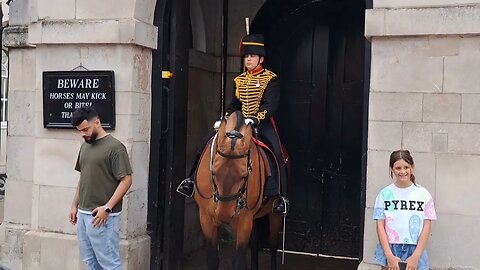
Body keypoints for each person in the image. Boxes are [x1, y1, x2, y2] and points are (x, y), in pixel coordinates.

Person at [177, 33, 289, 214]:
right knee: (206, 142)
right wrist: (225, 118)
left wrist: (257, 117)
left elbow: (271, 105)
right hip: (239, 122)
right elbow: (234, 104)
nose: (248, 59)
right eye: (246, 56)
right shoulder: (240, 80)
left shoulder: (270, 79)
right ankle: (190, 181)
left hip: (261, 123)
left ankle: (280, 197)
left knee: (276, 152)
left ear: (261, 59)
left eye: (252, 56)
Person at [68, 106, 132, 270]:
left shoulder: (115, 148)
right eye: (80, 131)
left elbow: (126, 180)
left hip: (103, 216)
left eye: (86, 129)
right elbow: (84, 177)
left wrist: (107, 208)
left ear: (97, 122)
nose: (83, 134)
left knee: (110, 264)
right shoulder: (85, 146)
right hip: (83, 214)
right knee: (90, 262)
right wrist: (74, 205)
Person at [373, 150, 437, 270]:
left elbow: (427, 226)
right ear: (391, 169)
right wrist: (389, 256)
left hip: (415, 249)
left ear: (412, 167)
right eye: (398, 168)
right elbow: (380, 226)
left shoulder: (423, 195)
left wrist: (416, 256)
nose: (402, 171)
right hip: (390, 248)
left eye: (406, 167)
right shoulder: (384, 194)